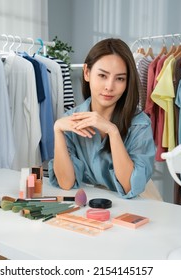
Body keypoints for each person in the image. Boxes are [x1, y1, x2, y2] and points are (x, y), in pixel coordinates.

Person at [48, 38, 156, 199]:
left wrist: (112, 131)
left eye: (120, 78)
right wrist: (57, 130)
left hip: (134, 204)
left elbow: (129, 187)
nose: (109, 87)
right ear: (87, 73)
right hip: (90, 205)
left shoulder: (139, 124)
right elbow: (66, 183)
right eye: (102, 75)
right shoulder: (70, 121)